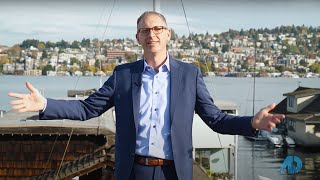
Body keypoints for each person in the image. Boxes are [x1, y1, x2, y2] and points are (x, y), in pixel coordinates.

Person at [8, 11, 285, 180]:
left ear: (168, 34)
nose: (151, 33)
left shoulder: (190, 75)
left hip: (174, 172)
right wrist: (44, 103)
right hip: (132, 170)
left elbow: (216, 120)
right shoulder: (123, 74)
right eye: (144, 30)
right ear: (138, 38)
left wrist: (251, 123)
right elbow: (87, 109)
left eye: (157, 28)